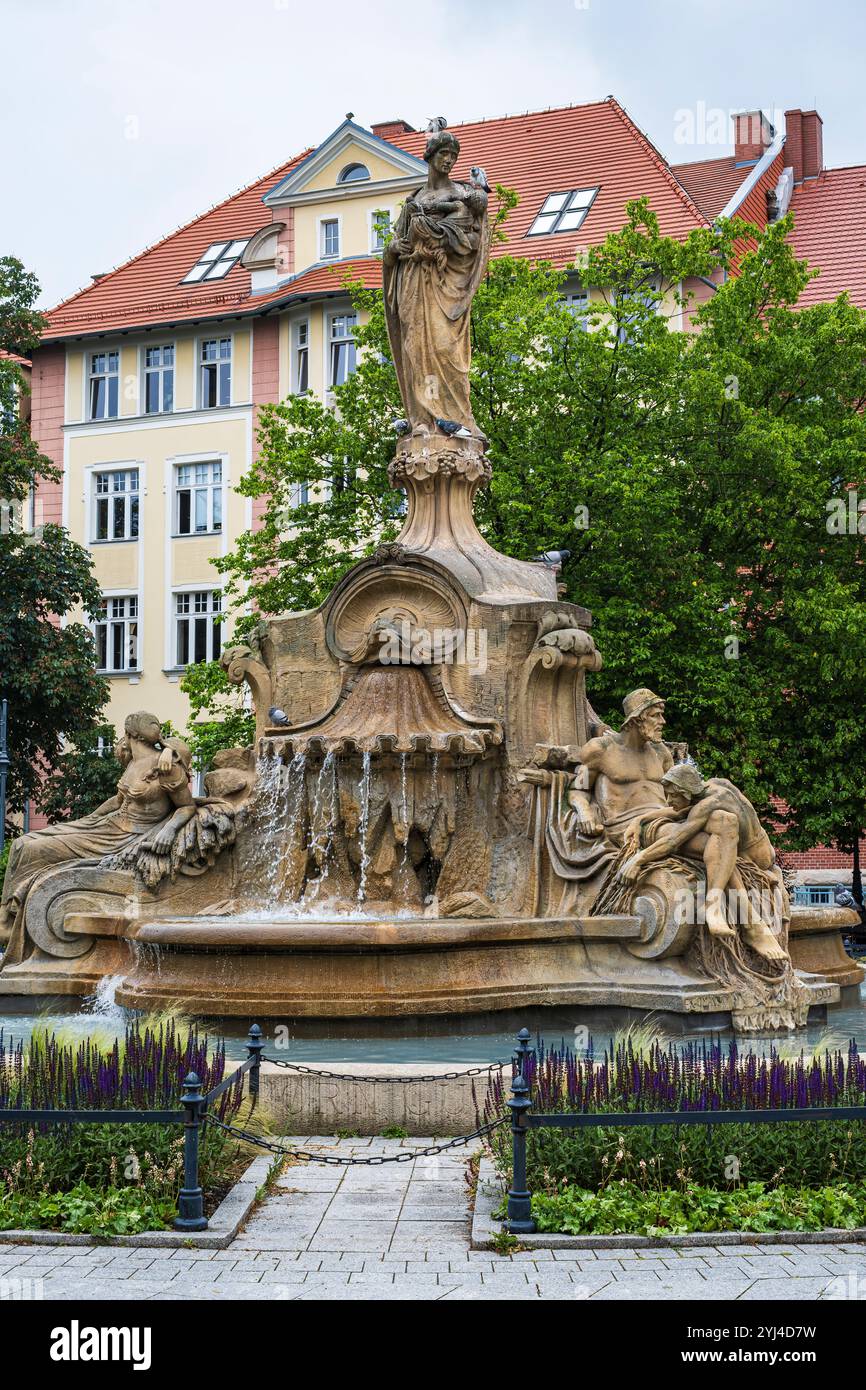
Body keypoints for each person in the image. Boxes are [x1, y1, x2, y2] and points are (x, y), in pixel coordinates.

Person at [0, 712, 194, 952]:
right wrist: (89, 819)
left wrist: (170, 829)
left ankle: (7, 923)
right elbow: (118, 800)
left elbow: (187, 806)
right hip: (106, 826)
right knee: (22, 843)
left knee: (30, 847)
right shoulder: (134, 763)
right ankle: (6, 915)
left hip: (127, 837)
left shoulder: (166, 765)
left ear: (129, 734)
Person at [615, 761, 787, 959]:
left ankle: (729, 914)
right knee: (722, 831)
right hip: (764, 852)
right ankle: (746, 924)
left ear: (686, 793)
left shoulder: (706, 808)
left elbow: (673, 841)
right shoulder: (716, 786)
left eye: (672, 795)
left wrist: (638, 859)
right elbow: (679, 811)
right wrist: (640, 819)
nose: (668, 800)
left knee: (723, 825)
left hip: (753, 858)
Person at [383, 122, 489, 438]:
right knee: (415, 350)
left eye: (453, 155)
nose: (449, 160)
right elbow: (395, 246)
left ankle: (460, 418)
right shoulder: (413, 200)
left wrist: (441, 237)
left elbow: (472, 242)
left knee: (446, 349)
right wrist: (393, 250)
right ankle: (422, 420)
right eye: (444, 153)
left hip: (444, 283)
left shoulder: (461, 195)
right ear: (431, 156)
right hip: (413, 283)